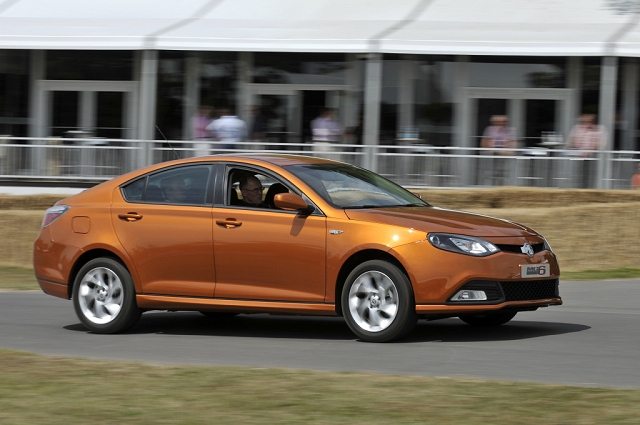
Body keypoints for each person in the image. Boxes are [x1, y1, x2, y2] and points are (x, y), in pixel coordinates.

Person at [566, 114, 607, 188]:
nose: (586, 123)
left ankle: (592, 189)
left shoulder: (599, 129)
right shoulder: (577, 128)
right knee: (577, 175)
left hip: (594, 157)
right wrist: (574, 144)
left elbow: (603, 142)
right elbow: (570, 141)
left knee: (592, 176)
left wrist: (595, 147)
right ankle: (578, 189)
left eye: (588, 121)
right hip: (578, 156)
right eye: (583, 121)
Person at [480, 115, 516, 185]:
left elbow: (513, 142)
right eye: (497, 122)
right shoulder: (489, 129)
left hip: (505, 154)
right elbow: (484, 141)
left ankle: (503, 185)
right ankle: (490, 185)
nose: (500, 123)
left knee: (503, 172)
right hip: (492, 153)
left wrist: (509, 149)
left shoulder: (510, 130)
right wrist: (487, 148)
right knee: (490, 171)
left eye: (503, 122)